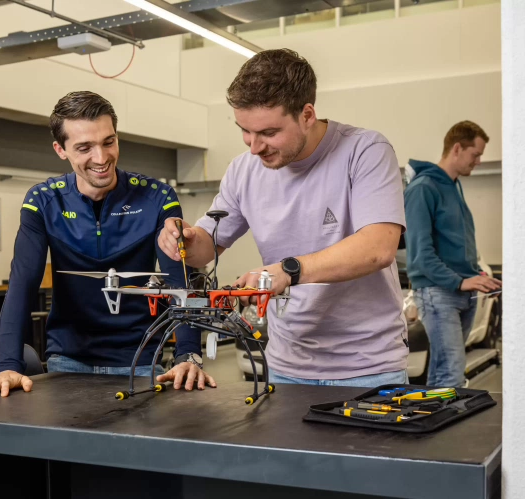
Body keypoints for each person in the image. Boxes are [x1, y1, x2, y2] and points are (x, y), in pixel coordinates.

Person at [157, 49, 408, 388]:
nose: (254, 147)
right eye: (245, 131)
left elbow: (377, 249)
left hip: (368, 366)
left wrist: (288, 271)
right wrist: (182, 239)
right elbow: (205, 247)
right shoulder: (243, 170)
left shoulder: (365, 151)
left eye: (269, 132)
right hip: (286, 364)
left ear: (307, 114)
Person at [0, 91, 215, 398]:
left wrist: (188, 355)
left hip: (140, 360)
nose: (101, 158)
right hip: (66, 361)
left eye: (108, 142)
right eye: (84, 147)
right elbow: (23, 284)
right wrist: (7, 366)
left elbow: (177, 282)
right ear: (61, 149)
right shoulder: (43, 201)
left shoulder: (158, 197)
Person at [404, 121, 501, 387]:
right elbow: (420, 255)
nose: (479, 161)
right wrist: (459, 281)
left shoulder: (453, 186)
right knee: (450, 376)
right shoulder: (423, 188)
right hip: (439, 293)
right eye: (476, 154)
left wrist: (475, 274)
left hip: (461, 294)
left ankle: (438, 425)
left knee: (445, 375)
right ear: (457, 148)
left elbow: (454, 244)